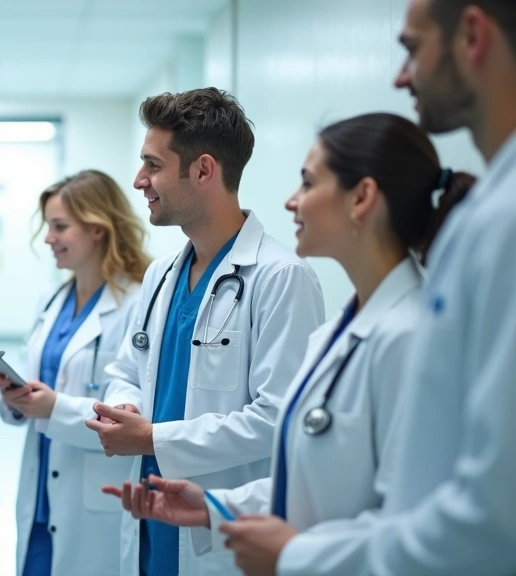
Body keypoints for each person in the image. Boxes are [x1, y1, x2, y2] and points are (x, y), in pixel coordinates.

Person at [219, 2, 516, 575]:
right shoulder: (479, 224)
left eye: (411, 47)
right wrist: (213, 507)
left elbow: (484, 513)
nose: (400, 76)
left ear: (472, 35)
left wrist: (300, 556)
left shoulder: (495, 230)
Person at [112, 112, 475, 576]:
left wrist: (294, 554)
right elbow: (309, 477)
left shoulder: (409, 336)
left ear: (361, 198)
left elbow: (418, 519)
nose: (289, 201)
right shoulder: (343, 333)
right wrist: (215, 509)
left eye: (307, 183)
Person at [88, 88, 325, 576]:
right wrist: (126, 404)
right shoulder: (161, 276)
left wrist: (153, 438)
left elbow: (278, 418)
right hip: (152, 519)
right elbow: (126, 368)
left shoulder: (281, 277)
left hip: (216, 530)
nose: (139, 181)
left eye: (152, 165)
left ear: (202, 171)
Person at [0, 169, 151, 576]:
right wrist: (16, 399)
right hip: (42, 486)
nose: (48, 238)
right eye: (48, 226)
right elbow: (37, 383)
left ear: (97, 228)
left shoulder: (139, 302)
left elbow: (138, 412)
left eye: (59, 226)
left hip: (96, 493)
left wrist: (53, 407)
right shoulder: (51, 301)